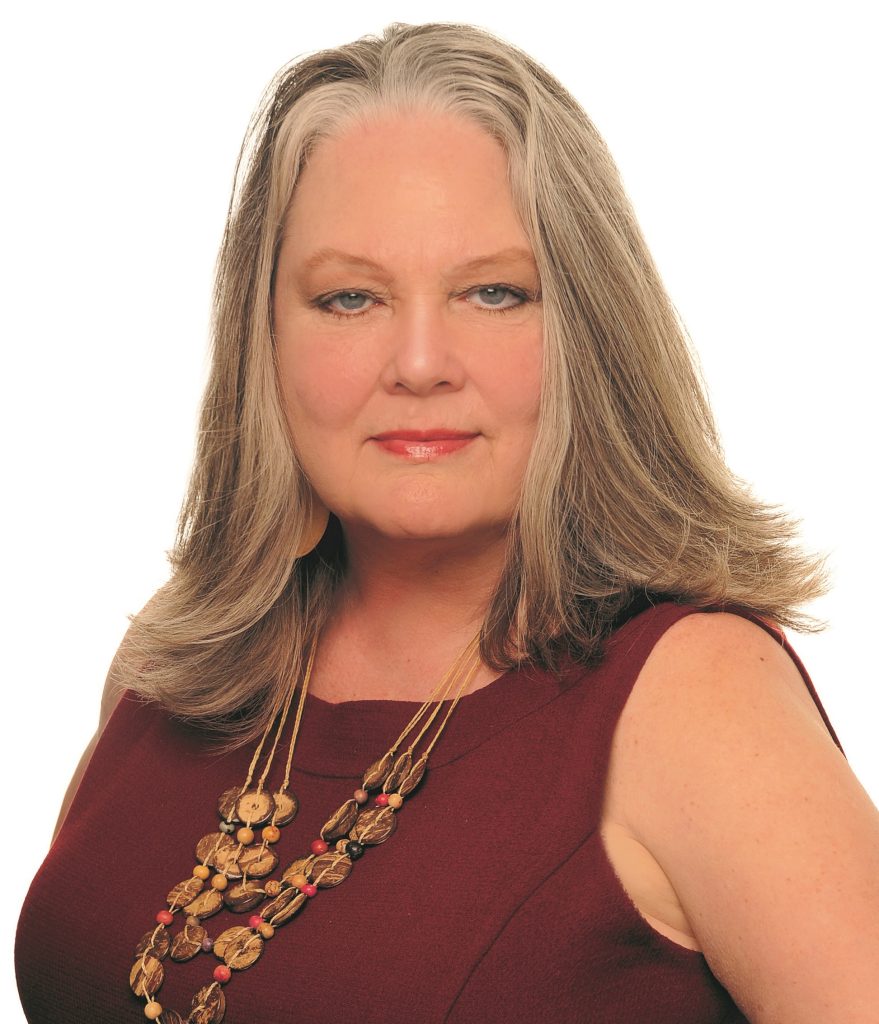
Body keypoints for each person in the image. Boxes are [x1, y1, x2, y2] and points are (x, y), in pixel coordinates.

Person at [15, 20, 879, 1024]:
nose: (420, 363)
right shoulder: (176, 655)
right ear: (266, 336)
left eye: (494, 292)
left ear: (589, 332)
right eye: (350, 298)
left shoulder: (694, 696)